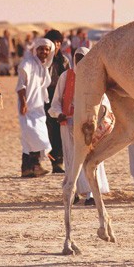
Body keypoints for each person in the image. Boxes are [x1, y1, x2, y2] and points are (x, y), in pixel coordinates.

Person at [48, 47, 110, 205]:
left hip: (88, 125)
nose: (81, 61)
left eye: (84, 58)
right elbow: (55, 102)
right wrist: (58, 113)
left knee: (89, 157)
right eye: (78, 58)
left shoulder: (95, 77)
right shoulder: (65, 76)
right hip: (68, 124)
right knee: (71, 158)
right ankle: (73, 191)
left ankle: (90, 194)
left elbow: (104, 102)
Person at [16, 37, 55, 177]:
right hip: (27, 106)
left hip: (38, 107)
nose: (43, 52)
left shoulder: (43, 67)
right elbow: (21, 86)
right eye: (40, 49)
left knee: (30, 138)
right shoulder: (27, 64)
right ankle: (35, 165)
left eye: (46, 49)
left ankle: (28, 169)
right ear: (35, 50)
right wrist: (23, 102)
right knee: (34, 135)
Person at [44, 29, 71, 173]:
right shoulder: (41, 59)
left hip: (59, 96)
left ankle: (58, 162)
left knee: (58, 129)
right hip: (43, 96)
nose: (57, 45)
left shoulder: (64, 61)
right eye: (55, 42)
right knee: (45, 129)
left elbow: (69, 80)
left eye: (59, 43)